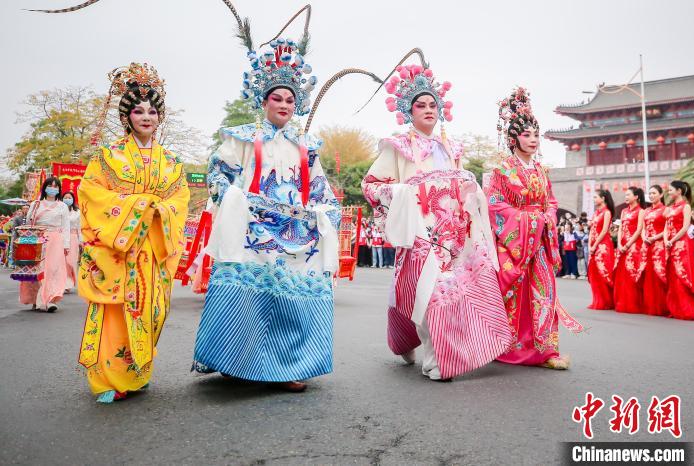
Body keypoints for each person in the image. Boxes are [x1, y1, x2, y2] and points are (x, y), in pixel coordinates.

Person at [193, 33, 340, 393]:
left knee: (294, 300)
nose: (284, 104)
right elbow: (218, 177)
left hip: (297, 235)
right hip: (250, 231)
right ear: (264, 101)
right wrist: (237, 201)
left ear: (297, 104)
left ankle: (292, 366)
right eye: (277, 98)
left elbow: (321, 190)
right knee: (246, 298)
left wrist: (324, 213)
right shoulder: (241, 139)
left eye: (291, 99)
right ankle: (236, 358)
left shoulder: (307, 147)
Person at [362, 60, 511, 381]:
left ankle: (442, 355)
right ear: (409, 111)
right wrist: (405, 193)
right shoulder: (397, 147)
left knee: (449, 292)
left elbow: (458, 187)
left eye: (433, 104)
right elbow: (371, 185)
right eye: (421, 105)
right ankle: (429, 353)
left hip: (453, 233)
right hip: (418, 231)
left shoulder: (452, 147)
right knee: (428, 291)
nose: (428, 109)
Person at [77, 63, 190, 403]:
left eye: (152, 111)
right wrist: (139, 206)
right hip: (118, 249)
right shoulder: (107, 157)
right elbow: (92, 195)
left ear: (159, 118)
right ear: (127, 117)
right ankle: (110, 380)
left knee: (151, 312)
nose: (146, 116)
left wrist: (160, 211)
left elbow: (180, 200)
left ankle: (138, 374)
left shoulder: (172, 162)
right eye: (138, 110)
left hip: (153, 251)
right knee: (115, 314)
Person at [487, 87, 583, 369]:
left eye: (536, 135)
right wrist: (530, 220)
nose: (532, 139)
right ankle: (507, 346)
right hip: (513, 243)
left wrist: (547, 217)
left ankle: (544, 350)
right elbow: (495, 205)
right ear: (513, 138)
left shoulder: (542, 171)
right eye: (526, 135)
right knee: (515, 293)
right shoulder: (502, 170)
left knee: (543, 293)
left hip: (538, 241)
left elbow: (550, 202)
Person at [21, 177, 70, 312]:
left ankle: (49, 299)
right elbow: (28, 224)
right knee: (38, 269)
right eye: (50, 185)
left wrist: (66, 245)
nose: (53, 188)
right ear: (45, 187)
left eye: (56, 186)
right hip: (38, 239)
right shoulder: (36, 204)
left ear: (59, 189)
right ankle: (36, 298)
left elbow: (66, 227)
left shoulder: (63, 206)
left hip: (56, 240)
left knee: (53, 269)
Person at [664, 180, 694, 320]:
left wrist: (672, 240)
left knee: (681, 277)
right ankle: (676, 309)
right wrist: (667, 240)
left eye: (671, 190)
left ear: (679, 191)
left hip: (682, 245)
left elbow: (685, 227)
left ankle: (686, 310)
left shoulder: (685, 207)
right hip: (671, 244)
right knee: (673, 277)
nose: (669, 192)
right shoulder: (671, 208)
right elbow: (667, 226)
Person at [613, 187, 646, 314]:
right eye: (625, 195)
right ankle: (622, 302)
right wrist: (620, 243)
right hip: (622, 245)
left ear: (636, 196)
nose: (626, 197)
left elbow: (639, 230)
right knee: (622, 274)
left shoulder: (641, 211)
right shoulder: (624, 211)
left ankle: (634, 304)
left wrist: (628, 244)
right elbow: (621, 228)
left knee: (632, 273)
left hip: (634, 245)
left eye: (628, 195)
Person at [639, 185, 668, 316]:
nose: (651, 195)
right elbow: (643, 228)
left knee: (659, 274)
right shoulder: (646, 211)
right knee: (648, 275)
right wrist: (645, 237)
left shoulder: (666, 210)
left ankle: (662, 306)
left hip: (659, 246)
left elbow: (668, 229)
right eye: (649, 193)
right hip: (647, 245)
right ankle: (650, 305)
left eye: (654, 193)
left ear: (661, 195)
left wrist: (654, 238)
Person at [587, 190, 615, 310]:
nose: (594, 199)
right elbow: (592, 230)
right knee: (594, 273)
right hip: (593, 245)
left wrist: (595, 245)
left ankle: (607, 301)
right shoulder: (595, 213)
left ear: (603, 198)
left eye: (595, 197)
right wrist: (589, 245)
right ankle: (597, 300)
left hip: (603, 245)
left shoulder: (607, 212)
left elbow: (604, 231)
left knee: (603, 271)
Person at [61, 191, 80, 292]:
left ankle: (70, 282)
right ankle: (63, 283)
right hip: (62, 237)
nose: (67, 199)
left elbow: (79, 228)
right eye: (65, 197)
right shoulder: (59, 209)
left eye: (69, 197)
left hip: (73, 237)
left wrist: (81, 241)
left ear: (73, 199)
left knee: (70, 261)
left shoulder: (77, 212)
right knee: (62, 261)